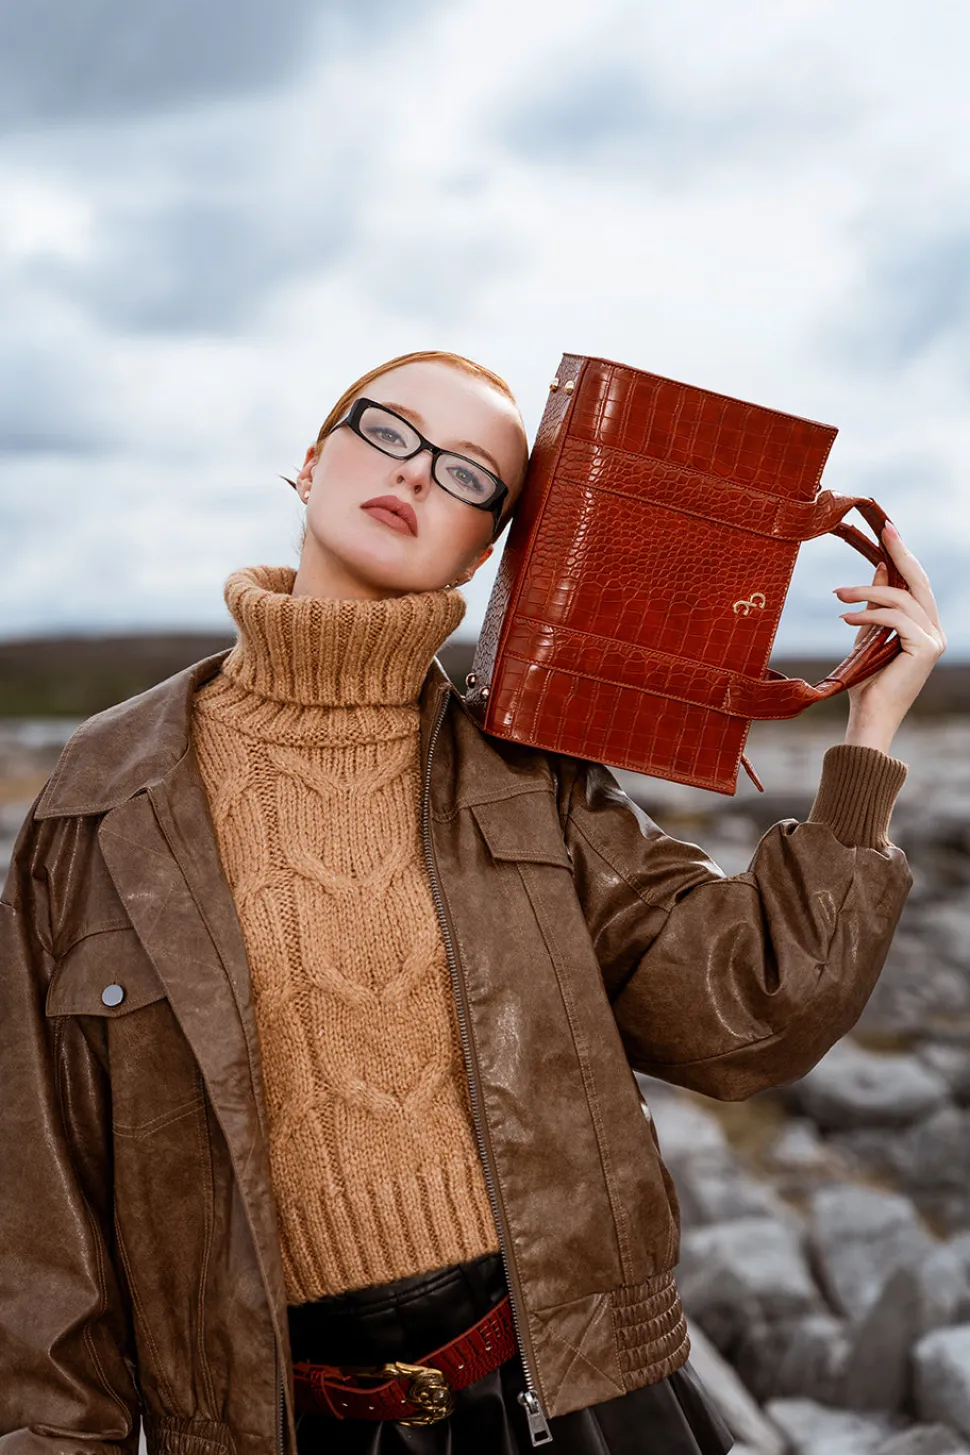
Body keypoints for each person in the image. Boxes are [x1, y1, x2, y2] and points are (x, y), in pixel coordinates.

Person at [0, 349, 944, 1455]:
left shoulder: (528, 772)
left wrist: (867, 738)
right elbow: (41, 1186)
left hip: (578, 1400)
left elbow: (749, 1013)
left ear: (489, 547)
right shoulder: (106, 793)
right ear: (312, 461)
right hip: (278, 1426)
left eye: (467, 476)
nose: (414, 475)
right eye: (386, 432)